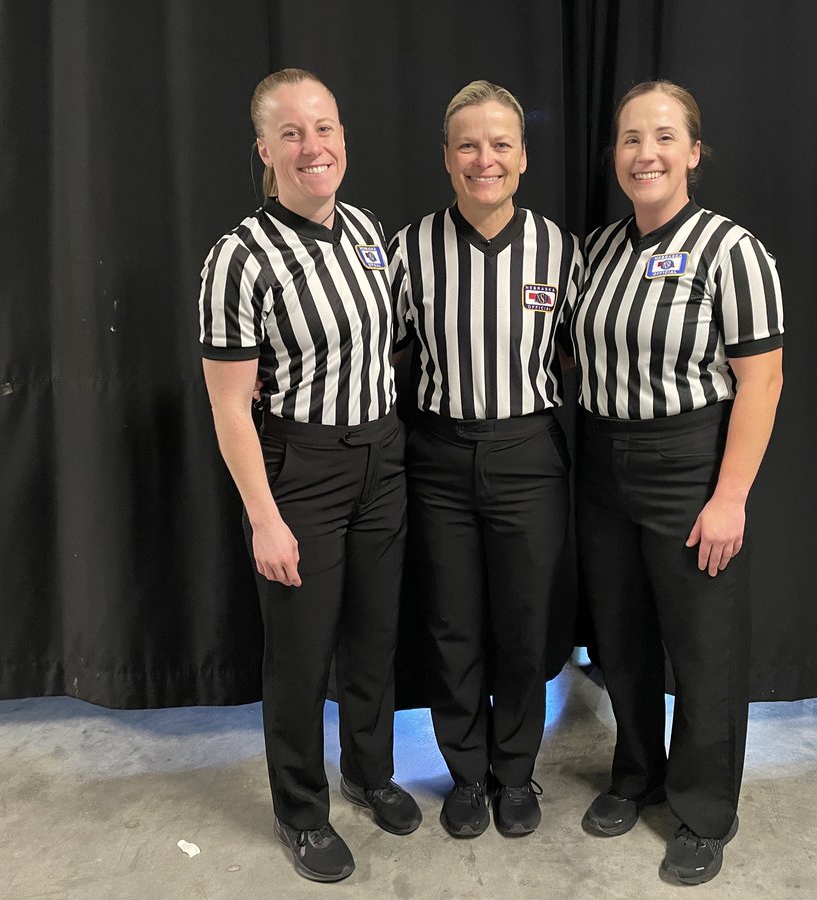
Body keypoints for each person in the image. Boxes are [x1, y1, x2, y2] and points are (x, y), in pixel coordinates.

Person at [197, 68, 420, 884]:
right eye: (291, 133)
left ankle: (368, 772)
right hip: (304, 467)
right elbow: (229, 408)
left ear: (343, 139)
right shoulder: (239, 257)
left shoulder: (366, 231)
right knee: (298, 652)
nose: (311, 146)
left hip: (382, 457)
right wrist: (264, 515)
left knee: (373, 637)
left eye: (322, 128)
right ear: (265, 149)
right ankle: (302, 810)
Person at [571, 80, 784, 885]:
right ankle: (636, 773)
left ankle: (703, 809)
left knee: (703, 650)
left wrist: (729, 497)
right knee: (621, 641)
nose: (644, 153)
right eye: (630, 138)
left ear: (694, 152)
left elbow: (761, 382)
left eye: (663, 137)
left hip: (690, 466)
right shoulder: (596, 251)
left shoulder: (732, 251)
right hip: (602, 464)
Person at [389, 81, 583, 839]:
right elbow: (384, 349)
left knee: (525, 623)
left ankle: (516, 769)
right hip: (437, 452)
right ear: (446, 157)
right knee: (452, 622)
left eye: (500, 143)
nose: (484, 158)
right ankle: (466, 773)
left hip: (528, 450)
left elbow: (575, 356)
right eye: (468, 144)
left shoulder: (557, 249)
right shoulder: (407, 250)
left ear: (523, 157)